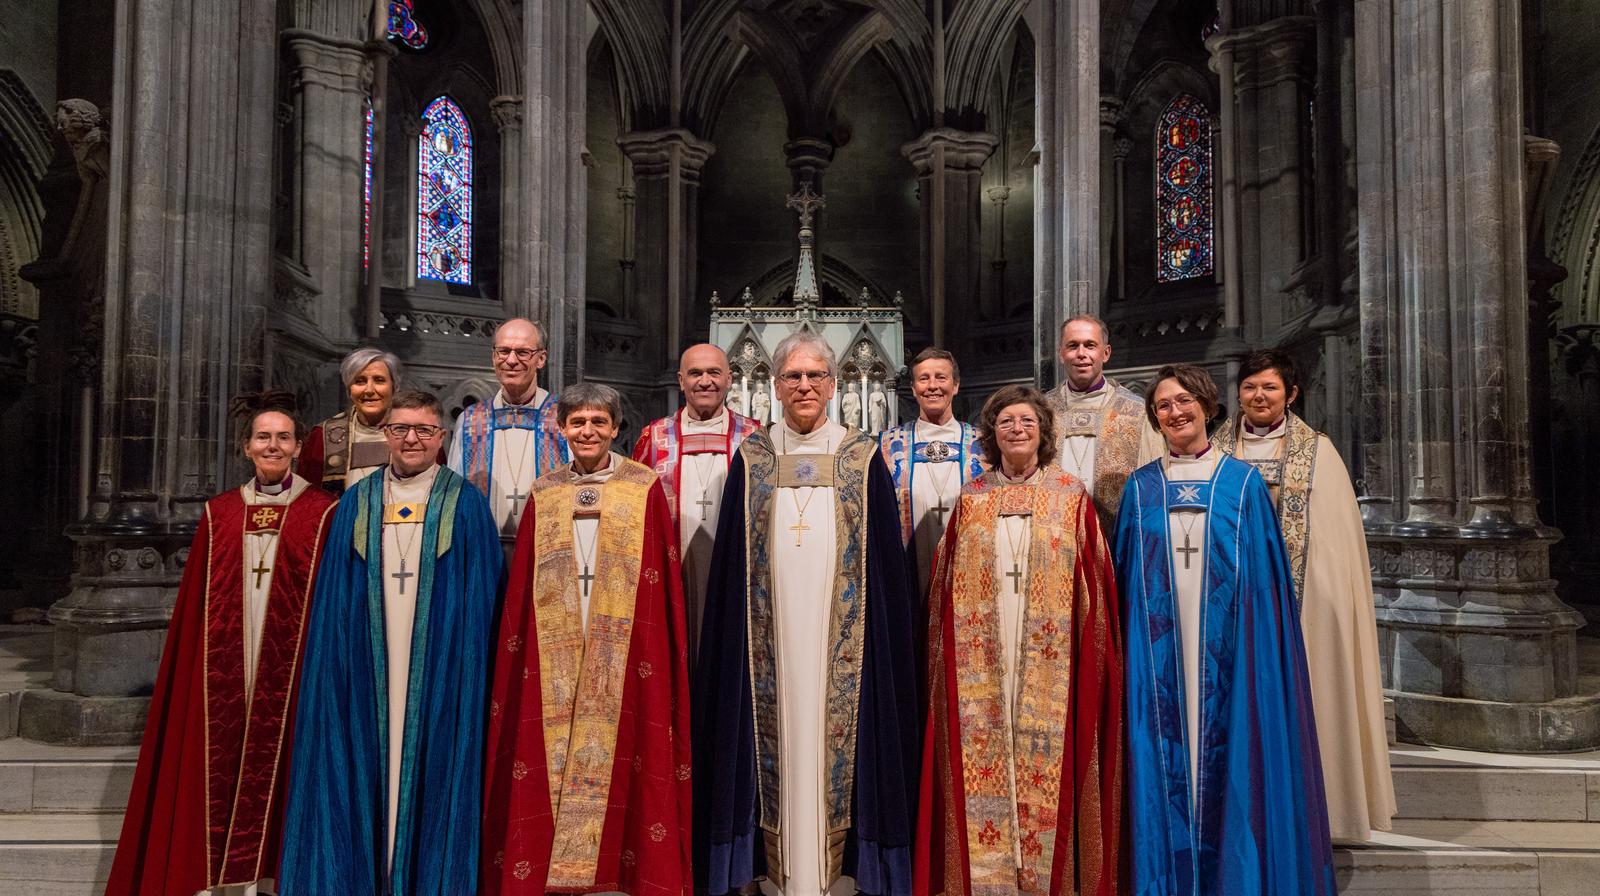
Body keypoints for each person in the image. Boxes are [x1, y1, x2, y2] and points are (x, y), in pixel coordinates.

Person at [694, 331, 921, 896]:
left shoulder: (862, 455)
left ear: (834, 385)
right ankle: (771, 869)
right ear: (773, 386)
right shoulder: (753, 456)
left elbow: (885, 568)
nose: (803, 386)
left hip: (843, 642)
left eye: (814, 376)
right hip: (766, 640)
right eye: (792, 377)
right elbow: (729, 566)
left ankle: (842, 872)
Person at [105, 392, 338, 896]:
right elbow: (195, 612)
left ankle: (276, 878)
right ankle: (216, 879)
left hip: (292, 677)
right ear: (245, 447)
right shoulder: (220, 514)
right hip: (223, 682)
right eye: (262, 437)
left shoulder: (324, 514)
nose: (272, 445)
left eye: (282, 437)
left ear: (299, 447)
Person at [1116, 364, 1335, 896]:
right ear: (1155, 417)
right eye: (1164, 404)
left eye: (1186, 400)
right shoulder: (1139, 487)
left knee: (1229, 753)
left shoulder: (1243, 484)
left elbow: (1265, 587)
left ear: (1209, 407)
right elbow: (1123, 584)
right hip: (1157, 658)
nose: (1176, 411)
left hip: (1228, 655)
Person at [279, 390, 502, 896]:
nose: (412, 439)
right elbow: (335, 598)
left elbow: (484, 601)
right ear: (386, 436)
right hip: (367, 666)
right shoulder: (357, 501)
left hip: (440, 671)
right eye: (401, 429)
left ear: (441, 439)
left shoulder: (464, 502)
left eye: (424, 430)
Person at [482, 382, 693, 894]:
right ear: (562, 429)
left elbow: (661, 582)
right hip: (556, 642)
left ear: (617, 428)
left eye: (599, 422)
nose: (588, 431)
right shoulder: (546, 492)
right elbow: (525, 583)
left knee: (629, 741)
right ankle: (552, 867)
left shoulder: (643, 487)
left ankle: (616, 871)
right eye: (577, 422)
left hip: (624, 647)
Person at [914, 384, 1122, 896]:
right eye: (1006, 421)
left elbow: (1095, 584)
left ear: (1044, 431)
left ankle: (1046, 878)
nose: (1017, 429)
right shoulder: (973, 498)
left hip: (1050, 661)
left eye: (1027, 421)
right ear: (991, 434)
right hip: (981, 655)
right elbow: (944, 589)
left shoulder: (1071, 496)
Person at [1212, 349, 1396, 841]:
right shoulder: (1214, 449)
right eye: (1250, 386)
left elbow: (1336, 544)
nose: (1258, 396)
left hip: (1302, 596)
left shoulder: (1319, 452)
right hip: (1232, 600)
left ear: (1291, 395)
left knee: (1313, 693)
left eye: (1269, 387)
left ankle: (1325, 810)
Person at [631, 344, 762, 661]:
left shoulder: (756, 440)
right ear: (680, 380)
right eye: (695, 373)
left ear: (729, 379)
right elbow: (633, 513)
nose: (705, 381)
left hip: (738, 572)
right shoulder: (654, 438)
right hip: (673, 572)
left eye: (714, 372)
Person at [449, 318, 570, 539]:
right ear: (494, 356)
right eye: (503, 351)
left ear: (541, 358)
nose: (511, 360)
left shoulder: (564, 417)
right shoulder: (470, 421)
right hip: (483, 548)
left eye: (523, 352)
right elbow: (453, 495)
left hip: (545, 548)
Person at [877, 347, 984, 594]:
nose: (932, 386)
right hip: (907, 572)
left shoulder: (982, 444)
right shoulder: (888, 445)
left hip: (968, 573)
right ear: (914, 389)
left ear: (956, 386)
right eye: (924, 379)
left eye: (941, 377)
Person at [1043, 316, 1163, 532]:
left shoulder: (1138, 413)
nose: (1081, 354)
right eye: (1072, 346)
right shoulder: (1040, 412)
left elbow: (1153, 488)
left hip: (1115, 539)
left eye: (1090, 345)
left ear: (1105, 353)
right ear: (1061, 354)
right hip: (1053, 536)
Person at [301, 347, 405, 495]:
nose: (369, 390)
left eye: (379, 380)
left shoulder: (417, 434)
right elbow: (308, 500)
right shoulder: (321, 438)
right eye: (360, 381)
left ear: (395, 387)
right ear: (349, 390)